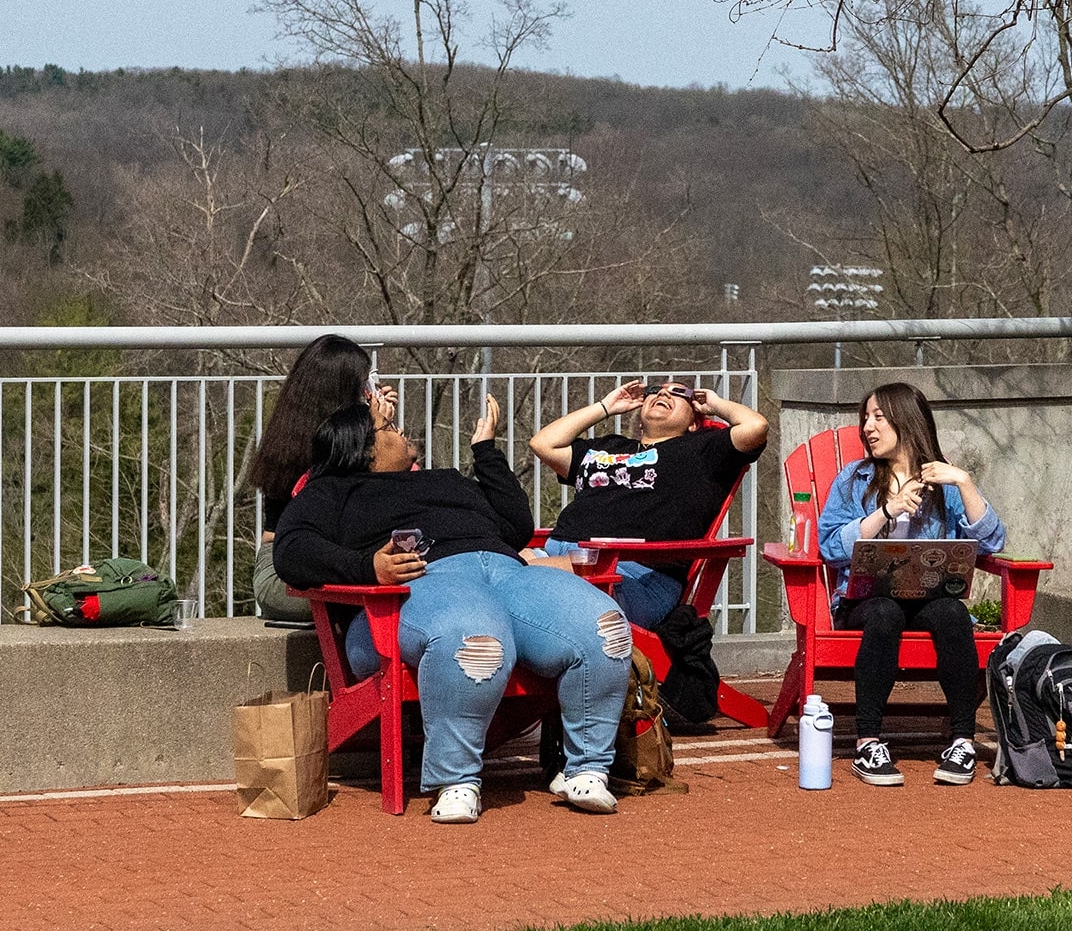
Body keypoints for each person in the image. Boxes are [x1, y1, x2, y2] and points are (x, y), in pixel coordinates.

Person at [274, 396, 630, 825]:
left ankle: (588, 769)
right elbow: (291, 551)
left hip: (507, 573)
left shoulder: (448, 480)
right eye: (389, 428)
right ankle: (457, 778)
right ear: (363, 450)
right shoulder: (332, 491)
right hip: (421, 587)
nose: (401, 430)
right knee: (475, 639)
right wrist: (367, 567)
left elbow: (515, 527)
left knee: (604, 625)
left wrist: (486, 450)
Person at [815, 381, 1007, 788]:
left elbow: (992, 543)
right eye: (865, 418)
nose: (867, 427)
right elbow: (830, 546)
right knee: (884, 612)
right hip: (865, 603)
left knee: (953, 613)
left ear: (906, 420)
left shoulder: (944, 485)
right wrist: (887, 510)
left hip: (927, 600)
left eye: (878, 417)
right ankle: (869, 741)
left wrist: (965, 482)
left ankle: (961, 740)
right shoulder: (854, 480)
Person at [527, 378, 768, 630]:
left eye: (679, 393)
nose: (663, 393)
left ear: (694, 422)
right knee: (488, 564)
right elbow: (543, 443)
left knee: (508, 578)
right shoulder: (609, 447)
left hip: (630, 574)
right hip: (558, 556)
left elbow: (756, 426)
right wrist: (605, 406)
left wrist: (716, 404)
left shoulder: (701, 450)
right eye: (656, 390)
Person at [247, 334, 395, 622]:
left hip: (330, 563)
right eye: (365, 384)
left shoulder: (296, 430)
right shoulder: (331, 444)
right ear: (345, 390)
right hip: (285, 573)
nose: (370, 392)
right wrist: (379, 432)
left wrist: (384, 434)